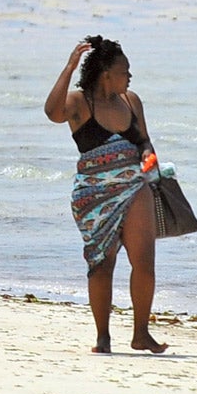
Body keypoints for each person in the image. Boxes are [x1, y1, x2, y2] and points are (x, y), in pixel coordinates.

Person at [44, 35, 168, 354]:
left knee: (144, 262)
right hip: (93, 196)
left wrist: (149, 158)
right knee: (102, 263)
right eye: (125, 70)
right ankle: (103, 337)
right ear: (106, 74)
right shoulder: (78, 103)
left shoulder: (131, 101)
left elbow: (145, 141)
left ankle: (141, 333)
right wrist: (70, 66)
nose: (130, 76)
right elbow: (51, 112)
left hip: (134, 187)